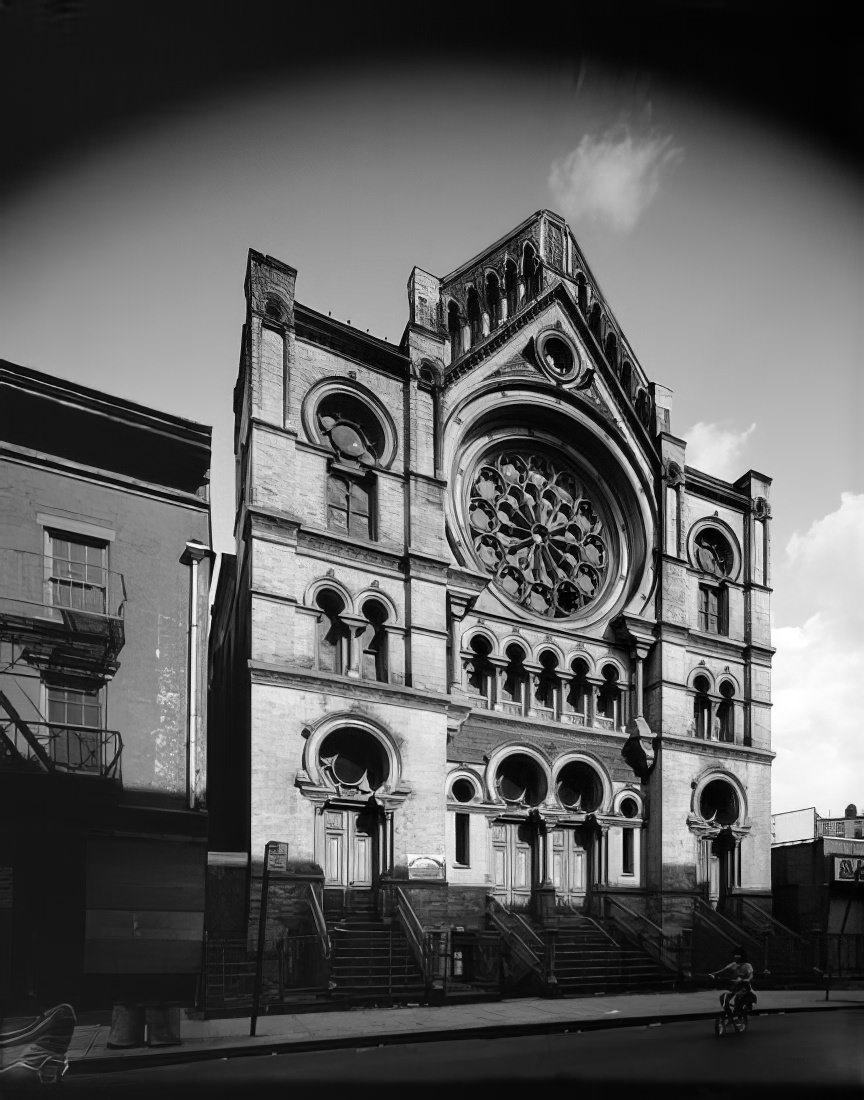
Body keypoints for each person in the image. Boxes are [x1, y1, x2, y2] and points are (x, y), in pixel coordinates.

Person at [710, 947, 756, 1025]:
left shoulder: (747, 965)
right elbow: (722, 971)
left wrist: (747, 979)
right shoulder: (733, 965)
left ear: (741, 957)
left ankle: (738, 1016)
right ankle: (730, 1015)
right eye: (735, 956)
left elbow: (751, 975)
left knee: (738, 998)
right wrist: (713, 974)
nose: (735, 958)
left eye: (737, 956)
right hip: (735, 987)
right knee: (724, 998)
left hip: (744, 987)